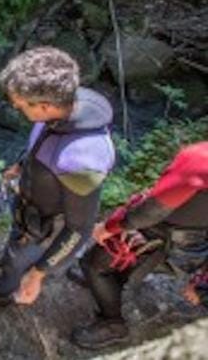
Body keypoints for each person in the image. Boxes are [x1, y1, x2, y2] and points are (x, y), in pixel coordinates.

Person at [0, 46, 116, 307]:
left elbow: (79, 229)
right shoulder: (66, 109)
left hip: (43, 225)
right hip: (31, 202)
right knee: (15, 249)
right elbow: (43, 141)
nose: (13, 105)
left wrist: (38, 274)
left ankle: (2, 292)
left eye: (19, 104)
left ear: (44, 106)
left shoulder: (81, 160)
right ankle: (15, 257)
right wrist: (21, 164)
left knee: (18, 258)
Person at [71, 142, 208, 349]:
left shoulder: (200, 160)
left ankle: (113, 323)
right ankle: (110, 283)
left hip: (162, 241)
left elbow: (150, 212)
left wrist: (109, 228)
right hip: (189, 247)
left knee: (93, 265)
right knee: (103, 265)